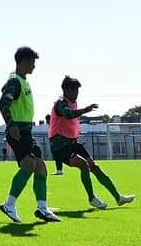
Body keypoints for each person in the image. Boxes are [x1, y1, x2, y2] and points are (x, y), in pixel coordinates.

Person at [48, 76, 134, 210]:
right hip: (60, 145)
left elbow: (75, 115)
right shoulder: (60, 103)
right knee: (83, 165)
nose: (76, 94)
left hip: (72, 143)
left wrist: (91, 114)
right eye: (74, 90)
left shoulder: (72, 102)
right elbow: (68, 114)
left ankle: (118, 197)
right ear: (66, 90)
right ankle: (92, 198)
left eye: (77, 91)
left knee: (94, 166)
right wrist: (85, 110)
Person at [0, 46, 61, 224]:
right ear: (23, 61)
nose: (34, 65)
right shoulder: (15, 81)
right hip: (18, 131)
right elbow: (3, 104)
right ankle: (9, 204)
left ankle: (42, 209)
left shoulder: (21, 80)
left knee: (41, 167)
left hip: (26, 132)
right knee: (29, 164)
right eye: (32, 62)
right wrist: (11, 125)